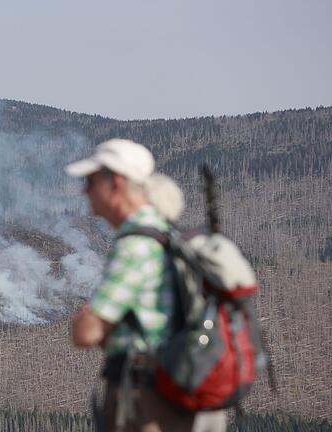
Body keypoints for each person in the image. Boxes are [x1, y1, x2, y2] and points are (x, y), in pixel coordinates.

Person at [65, 138, 226, 432]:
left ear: (115, 182)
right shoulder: (165, 233)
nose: (84, 190)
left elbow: (86, 333)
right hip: (170, 389)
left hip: (146, 399)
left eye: (90, 180)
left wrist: (87, 320)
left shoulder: (136, 245)